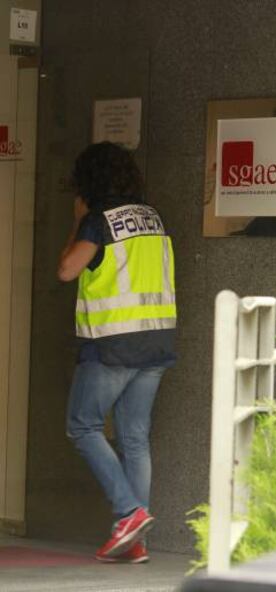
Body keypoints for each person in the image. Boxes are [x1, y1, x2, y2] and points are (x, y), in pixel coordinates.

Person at [58, 142, 177, 563]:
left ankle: (129, 513)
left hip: (112, 345)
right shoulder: (152, 219)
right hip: (157, 342)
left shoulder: (97, 221)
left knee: (83, 426)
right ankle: (134, 541)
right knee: (135, 439)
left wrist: (77, 223)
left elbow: (67, 270)